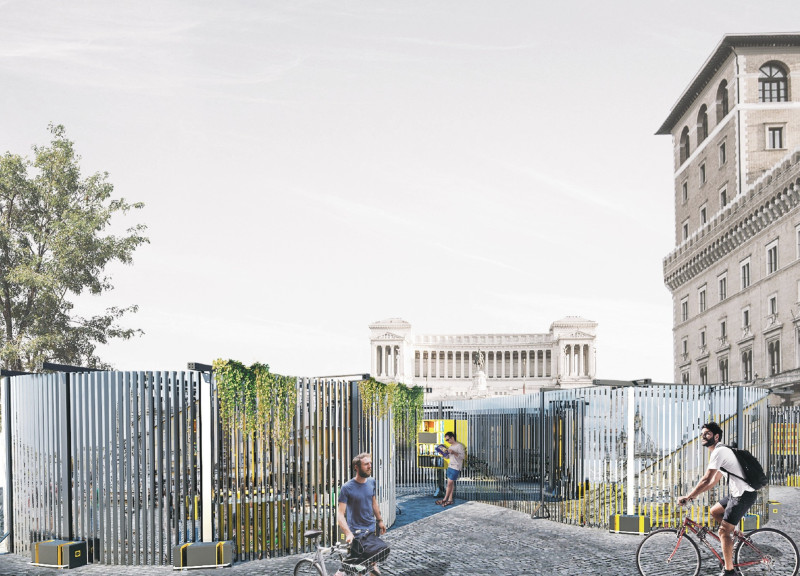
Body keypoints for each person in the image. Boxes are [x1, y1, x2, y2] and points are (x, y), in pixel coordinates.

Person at [677, 422, 757, 576]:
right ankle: (735, 533)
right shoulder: (722, 452)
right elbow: (713, 482)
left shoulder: (719, 452)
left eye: (706, 434)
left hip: (743, 495)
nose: (703, 437)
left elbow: (706, 479)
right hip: (738, 493)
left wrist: (688, 497)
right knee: (714, 511)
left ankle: (729, 571)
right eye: (702, 434)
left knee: (723, 532)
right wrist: (694, 495)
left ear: (716, 436)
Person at [336, 453, 389, 576]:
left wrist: (380, 520)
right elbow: (340, 514)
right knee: (356, 567)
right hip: (357, 534)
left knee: (371, 564)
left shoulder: (371, 482)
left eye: (370, 463)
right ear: (357, 467)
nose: (370, 466)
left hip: (370, 530)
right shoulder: (347, 488)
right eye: (366, 464)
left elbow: (373, 503)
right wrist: (348, 533)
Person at [435, 431, 466, 507]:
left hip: (456, 467)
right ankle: (450, 500)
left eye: (448, 439)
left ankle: (444, 499)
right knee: (450, 484)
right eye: (446, 440)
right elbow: (448, 457)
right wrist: (443, 454)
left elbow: (463, 457)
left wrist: (454, 452)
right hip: (450, 466)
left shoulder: (459, 446)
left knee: (449, 484)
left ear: (452, 437)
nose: (447, 441)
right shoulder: (450, 447)